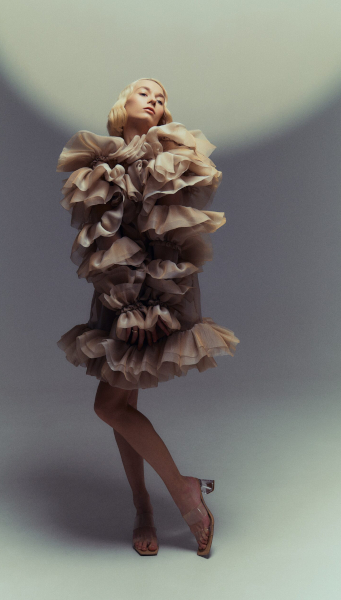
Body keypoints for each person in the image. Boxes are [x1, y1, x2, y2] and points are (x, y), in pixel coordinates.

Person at [56, 78, 240, 557]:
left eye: (161, 97)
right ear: (123, 104)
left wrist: (150, 305)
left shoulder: (170, 155)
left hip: (153, 294)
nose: (155, 98)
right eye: (145, 91)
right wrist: (118, 301)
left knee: (110, 406)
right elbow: (98, 240)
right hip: (115, 296)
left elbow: (176, 234)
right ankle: (144, 508)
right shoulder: (97, 164)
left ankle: (183, 491)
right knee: (123, 404)